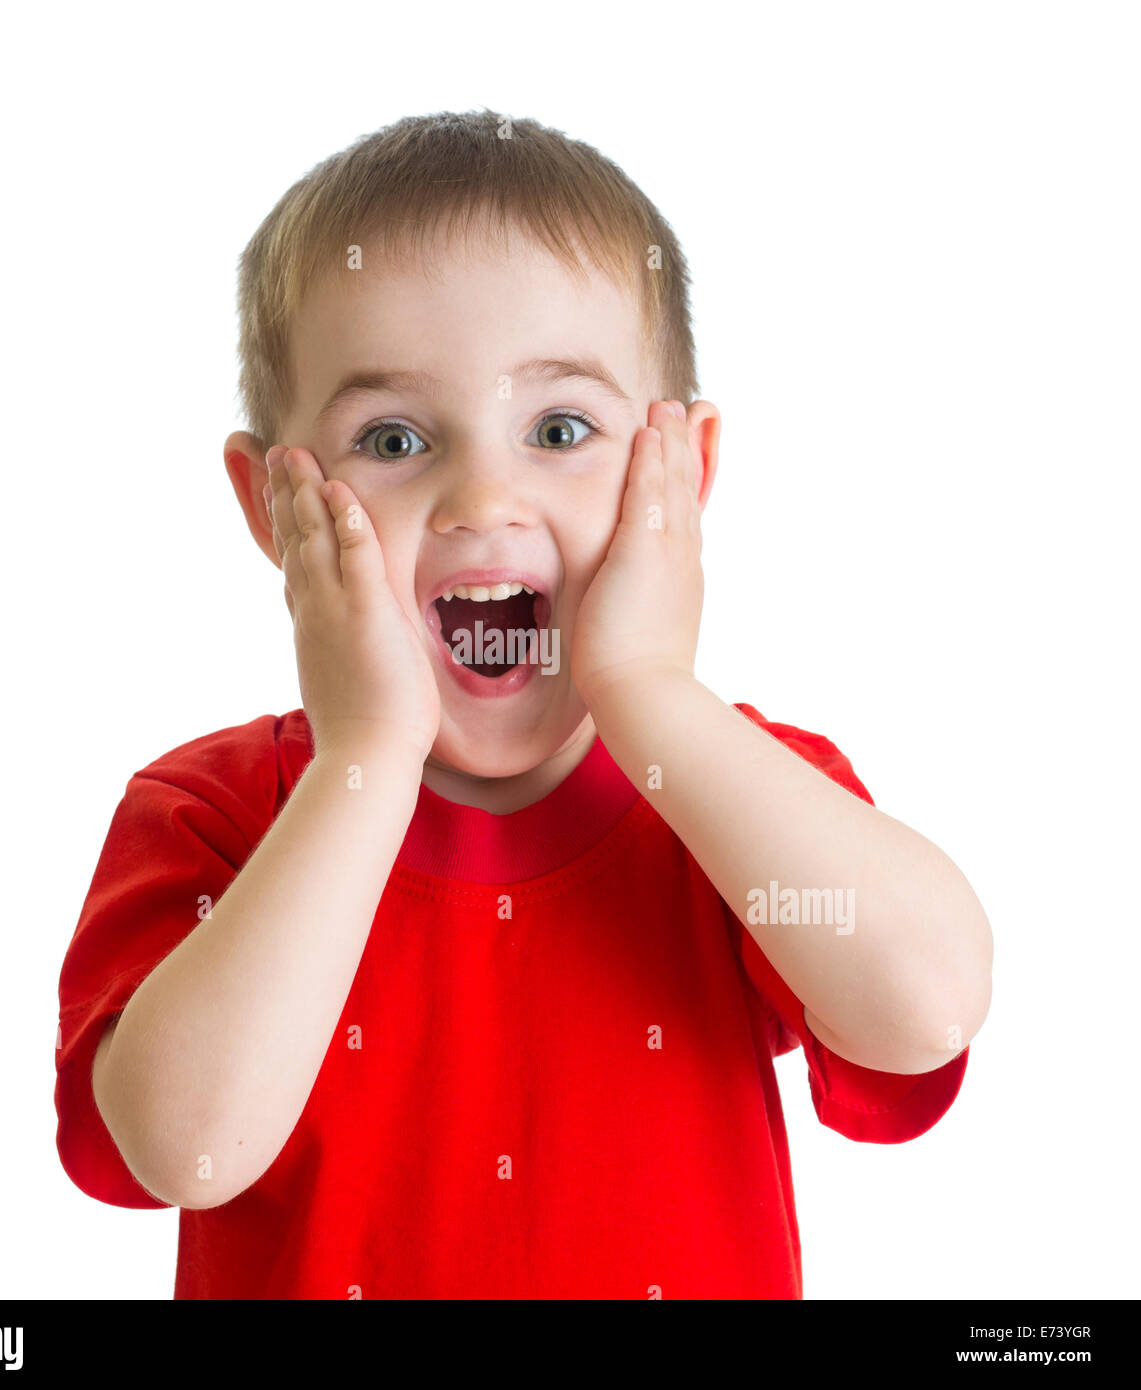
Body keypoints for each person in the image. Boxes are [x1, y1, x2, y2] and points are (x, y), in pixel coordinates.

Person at [54, 110, 993, 1299]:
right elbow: (185, 1146)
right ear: (268, 508)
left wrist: (650, 692)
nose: (482, 496)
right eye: (392, 437)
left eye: (560, 428)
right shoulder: (211, 813)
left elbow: (928, 1008)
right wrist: (369, 757)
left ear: (683, 478)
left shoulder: (729, 789)